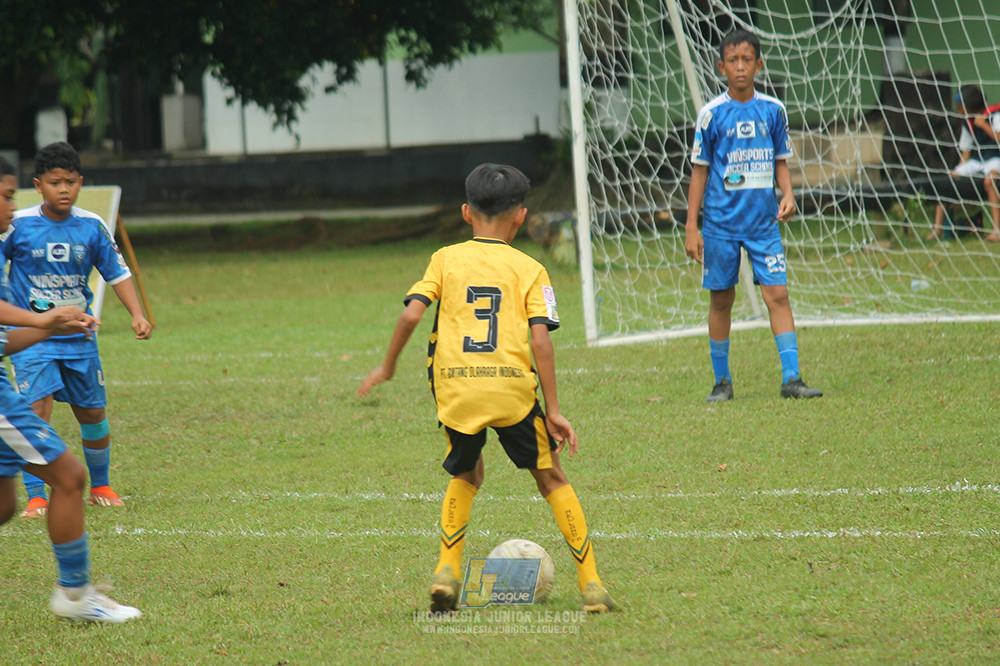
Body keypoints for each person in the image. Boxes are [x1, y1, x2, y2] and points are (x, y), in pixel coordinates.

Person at [358, 163, 614, 614]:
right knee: (551, 476)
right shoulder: (532, 268)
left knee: (467, 474)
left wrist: (387, 366)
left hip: (456, 390)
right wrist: (553, 409)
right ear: (521, 217)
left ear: (465, 212)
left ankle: (446, 572)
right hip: (513, 392)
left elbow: (412, 315)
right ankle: (591, 584)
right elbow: (540, 340)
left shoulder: (444, 258)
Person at [0, 155, 142, 622]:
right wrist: (45, 322)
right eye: (5, 195)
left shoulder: (89, 226)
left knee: (4, 503)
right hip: (12, 380)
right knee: (68, 475)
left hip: (58, 345)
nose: (11, 206)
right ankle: (75, 598)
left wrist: (49, 323)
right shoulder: (18, 232)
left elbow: (5, 338)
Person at [685, 29, 823, 402]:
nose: (740, 67)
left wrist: (789, 194)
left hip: (764, 224)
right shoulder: (711, 115)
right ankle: (722, 382)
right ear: (722, 66)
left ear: (758, 65)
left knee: (778, 295)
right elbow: (699, 170)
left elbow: (781, 161)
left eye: (747, 60)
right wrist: (691, 225)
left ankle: (792, 379)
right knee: (721, 299)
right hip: (720, 225)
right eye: (733, 61)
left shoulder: (773, 110)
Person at [924, 85, 1000, 242]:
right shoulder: (968, 123)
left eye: (960, 107)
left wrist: (984, 125)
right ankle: (938, 229)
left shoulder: (994, 115)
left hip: (995, 158)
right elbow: (965, 151)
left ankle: (996, 230)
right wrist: (959, 172)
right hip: (978, 160)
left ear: (970, 105)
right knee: (949, 180)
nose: (958, 111)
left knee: (990, 181)